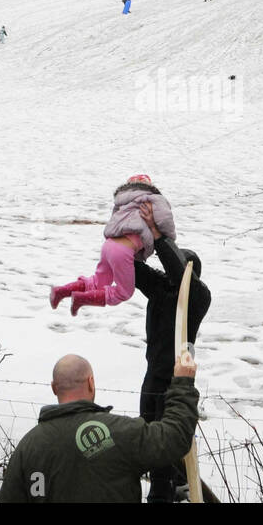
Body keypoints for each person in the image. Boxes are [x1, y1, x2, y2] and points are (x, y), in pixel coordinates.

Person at [0, 353, 199, 503]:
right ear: (91, 383)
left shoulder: (28, 447)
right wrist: (182, 384)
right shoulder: (119, 432)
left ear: (53, 388)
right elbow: (173, 438)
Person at [132, 208, 211, 502]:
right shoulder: (162, 290)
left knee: (166, 438)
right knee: (147, 431)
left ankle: (163, 492)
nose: (166, 276)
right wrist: (130, 238)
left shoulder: (199, 297)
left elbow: (180, 275)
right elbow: (137, 271)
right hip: (153, 374)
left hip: (176, 379)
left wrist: (160, 237)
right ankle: (171, 483)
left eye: (172, 271)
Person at [49, 174, 175, 316]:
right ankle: (81, 299)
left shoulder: (122, 200)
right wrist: (169, 241)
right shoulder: (154, 198)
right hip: (123, 249)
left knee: (97, 282)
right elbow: (165, 219)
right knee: (124, 292)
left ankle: (60, 291)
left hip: (109, 245)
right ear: (150, 186)